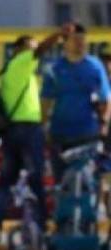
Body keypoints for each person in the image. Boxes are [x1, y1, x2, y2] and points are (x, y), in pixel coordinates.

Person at [0, 26, 67, 246]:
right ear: (18, 50)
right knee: (36, 179)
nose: (34, 52)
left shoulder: (12, 71)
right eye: (30, 48)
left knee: (5, 183)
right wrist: (60, 34)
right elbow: (42, 50)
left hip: (12, 132)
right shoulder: (21, 63)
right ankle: (43, 227)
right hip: (28, 130)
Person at [41, 23, 111, 182]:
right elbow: (46, 102)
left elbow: (106, 99)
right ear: (65, 43)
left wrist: (104, 124)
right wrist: (43, 128)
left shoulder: (95, 66)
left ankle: (95, 206)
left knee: (90, 182)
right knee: (61, 184)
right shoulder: (54, 69)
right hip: (59, 135)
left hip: (88, 136)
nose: (81, 44)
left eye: (83, 41)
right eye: (76, 40)